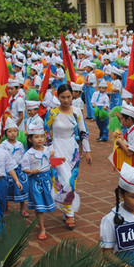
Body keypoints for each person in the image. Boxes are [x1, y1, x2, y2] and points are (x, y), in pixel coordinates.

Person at [45, 83, 92, 229]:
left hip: (72, 150)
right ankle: (70, 214)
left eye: (68, 97)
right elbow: (47, 133)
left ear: (73, 96)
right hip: (57, 149)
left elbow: (83, 131)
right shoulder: (52, 112)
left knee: (71, 182)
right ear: (57, 97)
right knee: (62, 180)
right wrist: (50, 149)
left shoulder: (76, 111)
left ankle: (67, 210)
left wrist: (88, 150)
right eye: (62, 97)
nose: (66, 100)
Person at [22, 122, 56, 240]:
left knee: (43, 203)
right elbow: (24, 168)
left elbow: (51, 160)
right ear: (30, 139)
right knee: (39, 206)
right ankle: (42, 228)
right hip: (35, 182)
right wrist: (31, 171)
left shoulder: (47, 150)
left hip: (46, 180)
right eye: (36, 137)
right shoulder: (28, 154)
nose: (40, 139)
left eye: (41, 136)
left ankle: (39, 219)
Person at [0, 118, 29, 217]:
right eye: (10, 131)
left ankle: (22, 209)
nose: (12, 133)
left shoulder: (20, 144)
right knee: (7, 189)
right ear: (5, 133)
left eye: (15, 131)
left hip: (19, 170)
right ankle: (5, 205)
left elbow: (22, 156)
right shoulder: (3, 145)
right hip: (8, 171)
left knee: (22, 189)